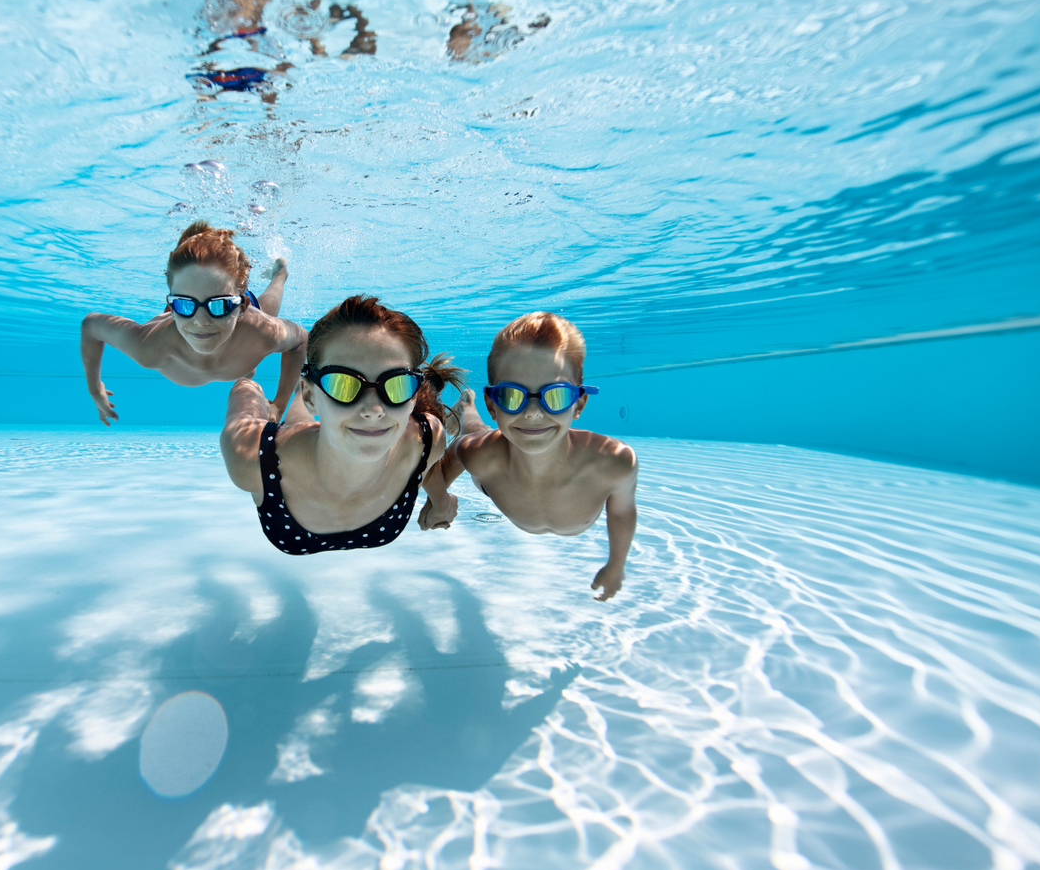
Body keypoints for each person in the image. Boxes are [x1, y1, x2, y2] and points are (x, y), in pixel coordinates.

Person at [220, 294, 465, 554]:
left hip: (313, 430)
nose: (373, 410)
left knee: (303, 422)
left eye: (396, 385)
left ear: (413, 397)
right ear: (309, 395)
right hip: (290, 433)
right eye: (343, 384)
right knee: (250, 389)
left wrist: (440, 501)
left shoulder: (425, 439)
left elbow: (426, 466)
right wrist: (256, 392)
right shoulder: (249, 457)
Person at [436, 312, 638, 600]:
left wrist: (616, 566)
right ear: (493, 405)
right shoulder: (481, 456)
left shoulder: (614, 463)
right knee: (472, 434)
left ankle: (467, 406)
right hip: (493, 479)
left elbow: (622, 511)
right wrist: (439, 499)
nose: (532, 412)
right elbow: (453, 456)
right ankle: (467, 406)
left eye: (554, 395)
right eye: (511, 396)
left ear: (578, 403)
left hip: (498, 457)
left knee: (477, 436)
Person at [80, 221, 306, 425]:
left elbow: (301, 340)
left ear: (242, 307)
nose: (200, 321)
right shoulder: (147, 345)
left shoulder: (260, 331)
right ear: (170, 307)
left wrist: (279, 405)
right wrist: (93, 388)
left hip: (243, 329)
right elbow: (91, 325)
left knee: (268, 309)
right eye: (185, 305)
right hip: (231, 337)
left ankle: (280, 273)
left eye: (218, 305)